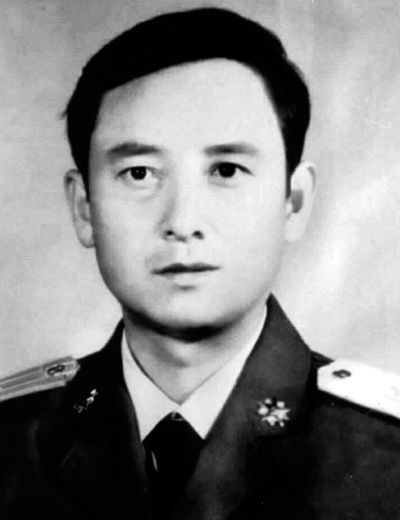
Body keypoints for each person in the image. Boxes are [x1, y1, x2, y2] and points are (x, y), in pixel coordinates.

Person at [1, 7, 400, 520]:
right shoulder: (10, 446)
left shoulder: (386, 456)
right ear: (84, 208)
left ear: (294, 201)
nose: (182, 221)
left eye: (227, 170)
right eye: (139, 173)